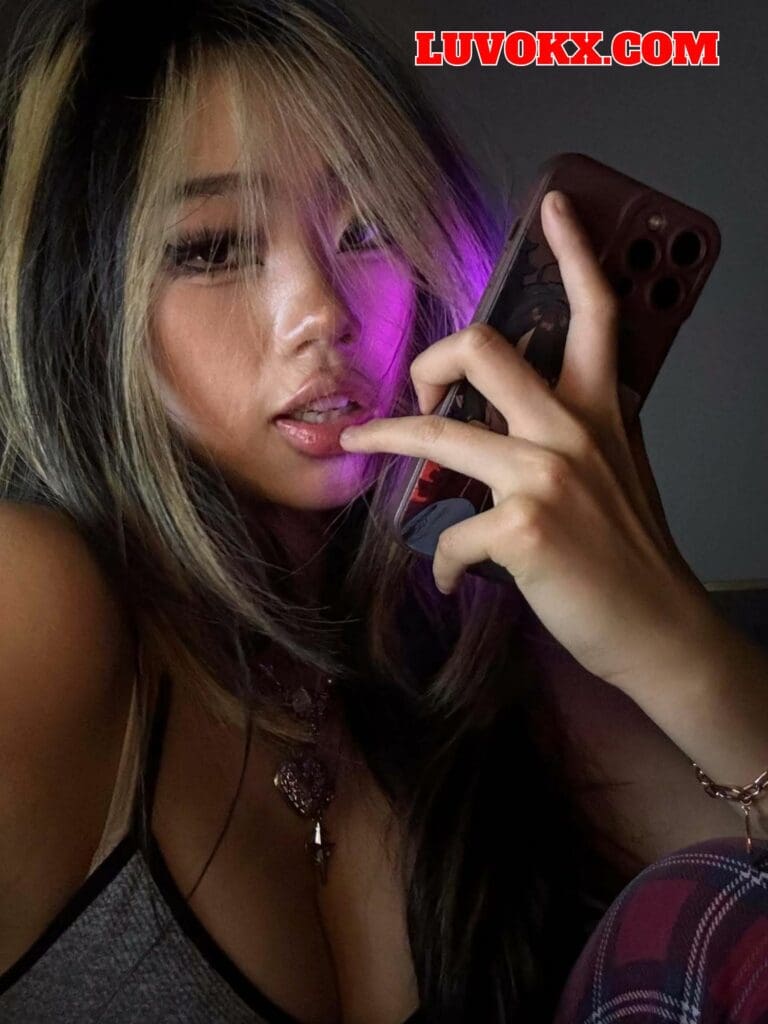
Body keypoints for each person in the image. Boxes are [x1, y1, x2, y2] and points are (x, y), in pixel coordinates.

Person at [0, 1, 766, 1022]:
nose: (322, 311)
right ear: (79, 299)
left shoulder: (476, 627)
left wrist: (658, 618)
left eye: (366, 229)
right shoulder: (34, 600)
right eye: (213, 246)